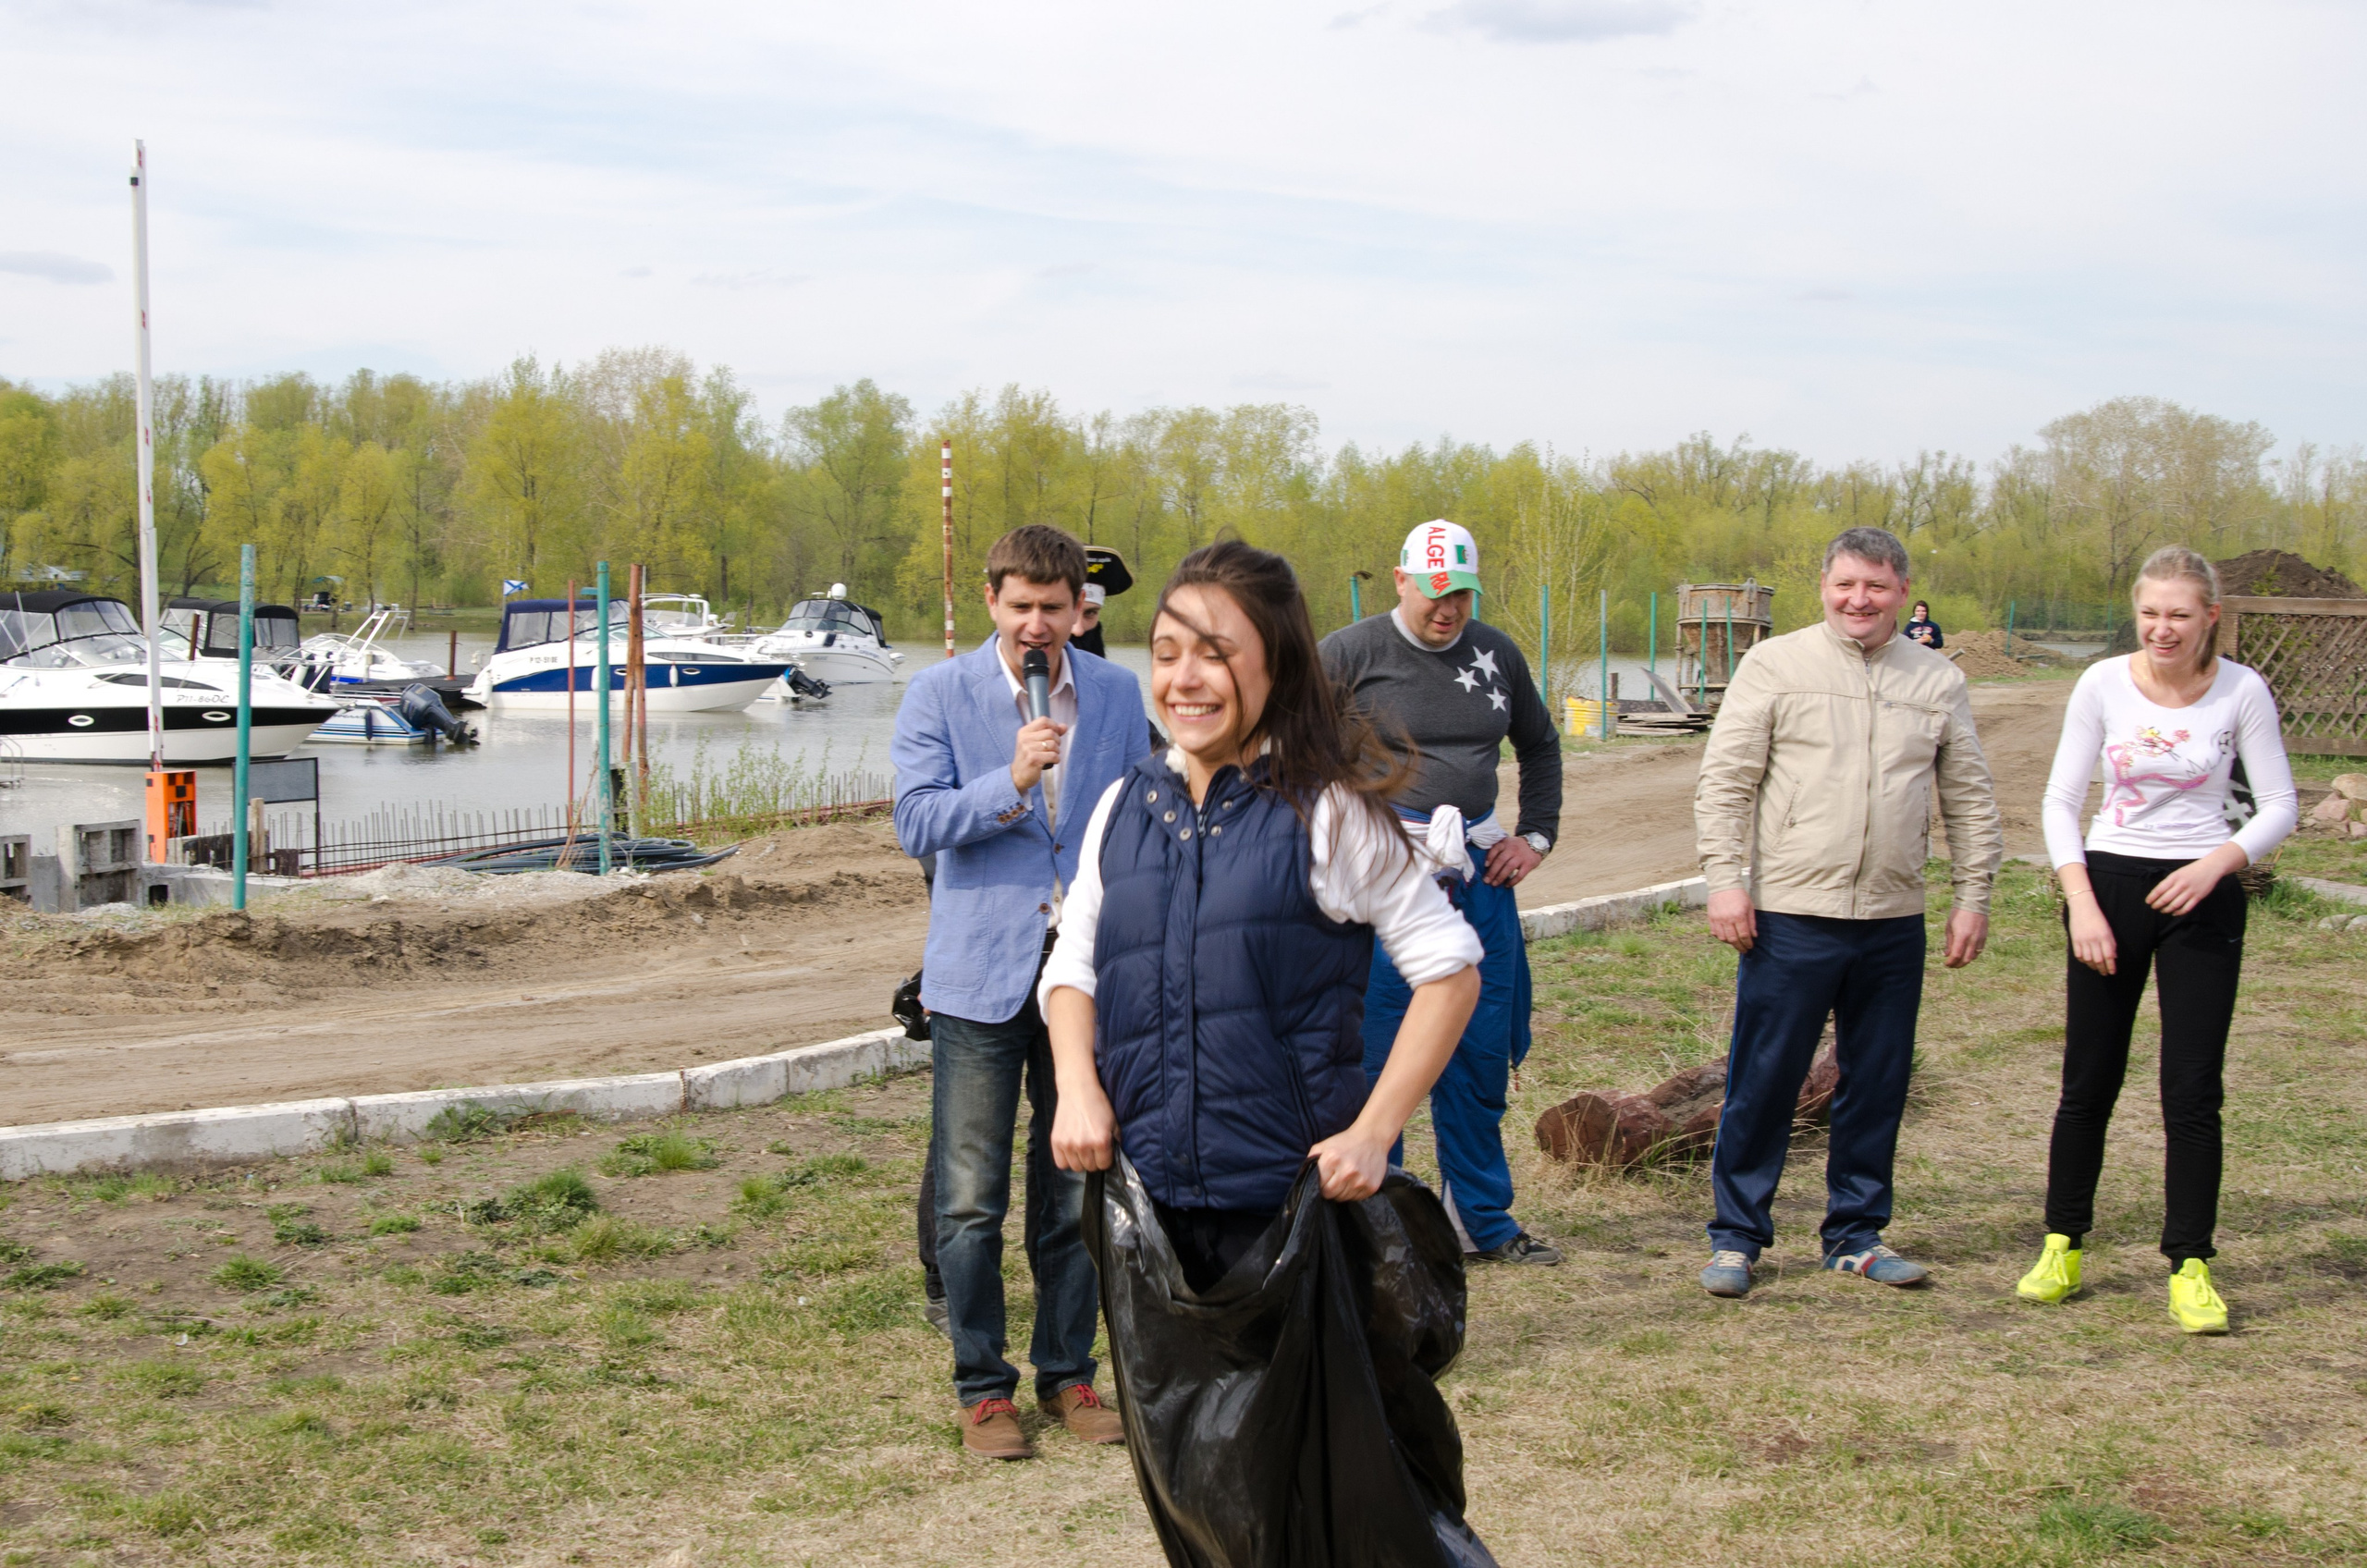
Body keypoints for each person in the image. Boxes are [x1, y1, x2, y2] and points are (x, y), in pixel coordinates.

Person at [1043, 539, 1486, 1554]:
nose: (1182, 678)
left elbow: (1449, 969)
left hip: (1288, 1217)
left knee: (1331, 1503)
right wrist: (1078, 1087)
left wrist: (1376, 1130)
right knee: (1199, 1494)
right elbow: (1070, 969)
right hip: (1153, 1216)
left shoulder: (1327, 813)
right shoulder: (1123, 808)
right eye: (1165, 651)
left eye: (1213, 652)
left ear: (1275, 666)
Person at [890, 522, 1152, 1460]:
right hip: (976, 979)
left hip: (1086, 975)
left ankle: (1068, 1374)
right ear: (993, 603)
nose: (1039, 625)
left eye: (1056, 607)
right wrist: (1010, 778)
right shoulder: (939, 691)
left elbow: (1146, 813)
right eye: (1022, 606)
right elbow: (916, 823)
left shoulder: (1120, 694)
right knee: (968, 1199)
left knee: (1071, 1186)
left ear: (1079, 608)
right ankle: (981, 1387)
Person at [1693, 525, 2003, 1298]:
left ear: (1902, 591)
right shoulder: (1774, 666)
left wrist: (1973, 896)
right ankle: (1737, 1238)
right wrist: (1725, 881)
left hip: (1894, 916)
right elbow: (1726, 782)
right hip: (1793, 910)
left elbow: (1968, 796)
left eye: (1875, 586)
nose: (1858, 600)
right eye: (1845, 585)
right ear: (1823, 587)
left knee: (1877, 1079)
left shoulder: (1936, 680)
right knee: (1764, 1076)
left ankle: (1855, 1234)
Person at [2018, 546, 2296, 1333]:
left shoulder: (2243, 690)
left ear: (2211, 616)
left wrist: (2217, 865)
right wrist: (2082, 903)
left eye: (2180, 613)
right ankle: (2063, 1243)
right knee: (2089, 1080)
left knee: (2192, 1089)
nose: (2162, 628)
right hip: (2108, 888)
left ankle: (2191, 1263)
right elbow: (2060, 800)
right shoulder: (2101, 683)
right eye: (2150, 613)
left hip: (2201, 898)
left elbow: (2277, 804)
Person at [1319, 519, 1564, 1265]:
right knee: (1378, 1051)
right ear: (1401, 581)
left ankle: (1482, 1221)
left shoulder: (1497, 653)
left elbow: (1541, 744)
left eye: (1460, 593)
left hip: (1479, 873)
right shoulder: (1350, 652)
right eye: (1433, 593)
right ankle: (1376, 1226)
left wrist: (1536, 836)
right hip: (1387, 878)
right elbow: (1296, 750)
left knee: (1481, 1050)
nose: (1447, 609)